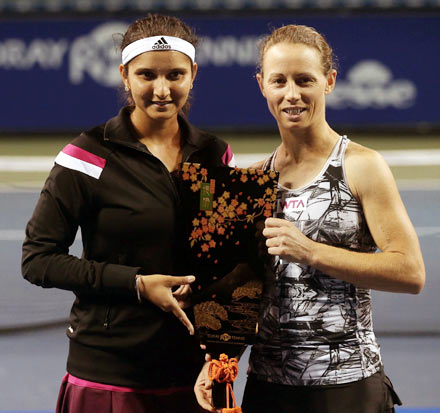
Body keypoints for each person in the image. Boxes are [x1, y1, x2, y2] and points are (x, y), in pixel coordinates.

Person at [195, 24, 425, 413]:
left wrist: (312, 252)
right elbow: (240, 289)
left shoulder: (362, 167)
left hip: (349, 386)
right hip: (269, 388)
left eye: (304, 80)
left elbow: (410, 273)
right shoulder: (249, 181)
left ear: (329, 81)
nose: (291, 94)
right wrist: (219, 359)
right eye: (279, 81)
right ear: (262, 85)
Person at [22, 13, 235, 413]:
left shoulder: (215, 154)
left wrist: (214, 301)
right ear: (124, 75)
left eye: (175, 75)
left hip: (196, 373)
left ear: (193, 75)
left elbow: (222, 257)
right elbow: (37, 259)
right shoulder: (85, 156)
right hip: (109, 372)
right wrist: (137, 284)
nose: (162, 89)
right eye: (146, 75)